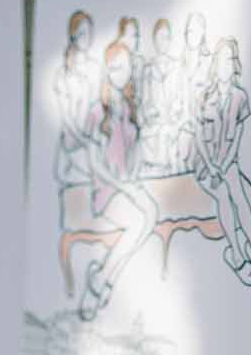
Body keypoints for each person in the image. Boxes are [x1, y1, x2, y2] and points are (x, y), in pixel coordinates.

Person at [78, 39, 159, 323]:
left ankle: (104, 275)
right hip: (107, 189)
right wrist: (123, 185)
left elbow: (132, 152)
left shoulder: (127, 107)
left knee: (151, 214)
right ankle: (101, 282)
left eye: (124, 67)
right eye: (114, 67)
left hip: (126, 185)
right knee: (139, 221)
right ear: (106, 70)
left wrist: (134, 176)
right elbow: (95, 165)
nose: (120, 72)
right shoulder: (97, 111)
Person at [195, 37, 251, 288]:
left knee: (239, 194)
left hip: (228, 163)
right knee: (223, 196)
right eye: (222, 60)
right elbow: (198, 137)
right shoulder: (204, 97)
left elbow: (237, 139)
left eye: (230, 60)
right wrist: (211, 164)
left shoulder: (240, 97)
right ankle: (237, 255)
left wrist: (224, 165)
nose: (226, 65)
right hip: (205, 164)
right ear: (215, 65)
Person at [52, 11, 96, 226]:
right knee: (72, 198)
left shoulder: (94, 69)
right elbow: (66, 116)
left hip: (89, 142)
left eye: (89, 33)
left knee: (89, 194)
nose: (86, 38)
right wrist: (83, 139)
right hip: (72, 144)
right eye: (81, 33)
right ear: (73, 36)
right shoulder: (64, 75)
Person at [139, 17, 183, 174]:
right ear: (154, 40)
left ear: (170, 39)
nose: (162, 42)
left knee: (170, 135)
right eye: (159, 38)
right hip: (155, 121)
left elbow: (180, 97)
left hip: (172, 120)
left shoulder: (177, 67)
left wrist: (174, 113)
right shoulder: (148, 70)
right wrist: (151, 114)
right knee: (152, 136)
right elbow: (145, 101)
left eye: (166, 37)